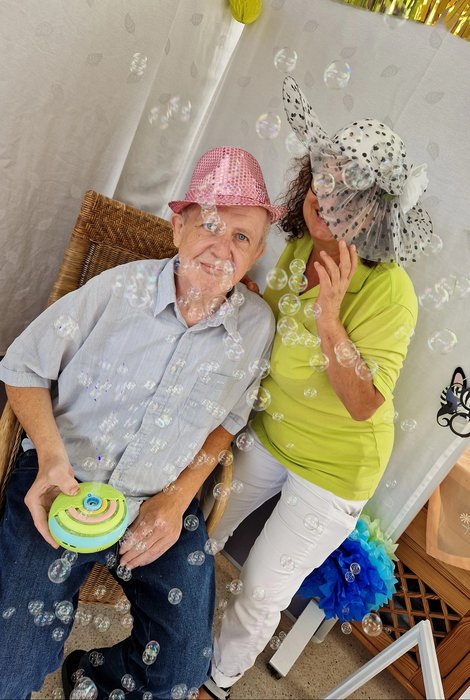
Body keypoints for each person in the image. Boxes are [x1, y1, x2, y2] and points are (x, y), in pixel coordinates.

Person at [0, 146, 286, 699]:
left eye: (242, 237)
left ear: (255, 254)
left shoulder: (256, 326)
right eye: (207, 224)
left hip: (159, 502)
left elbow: (228, 421)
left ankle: (91, 676)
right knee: (8, 671)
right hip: (65, 484)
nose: (221, 248)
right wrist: (52, 461)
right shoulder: (118, 289)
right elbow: (21, 366)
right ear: (178, 227)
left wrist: (179, 499)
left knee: (179, 671)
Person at [201, 78, 432, 699]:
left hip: (335, 467)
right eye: (322, 185)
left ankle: (215, 683)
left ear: (373, 217)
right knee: (201, 531)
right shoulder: (297, 242)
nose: (324, 205)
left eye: (345, 200)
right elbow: (275, 331)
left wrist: (331, 318)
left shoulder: (390, 292)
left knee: (263, 588)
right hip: (272, 429)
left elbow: (362, 403)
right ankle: (173, 633)